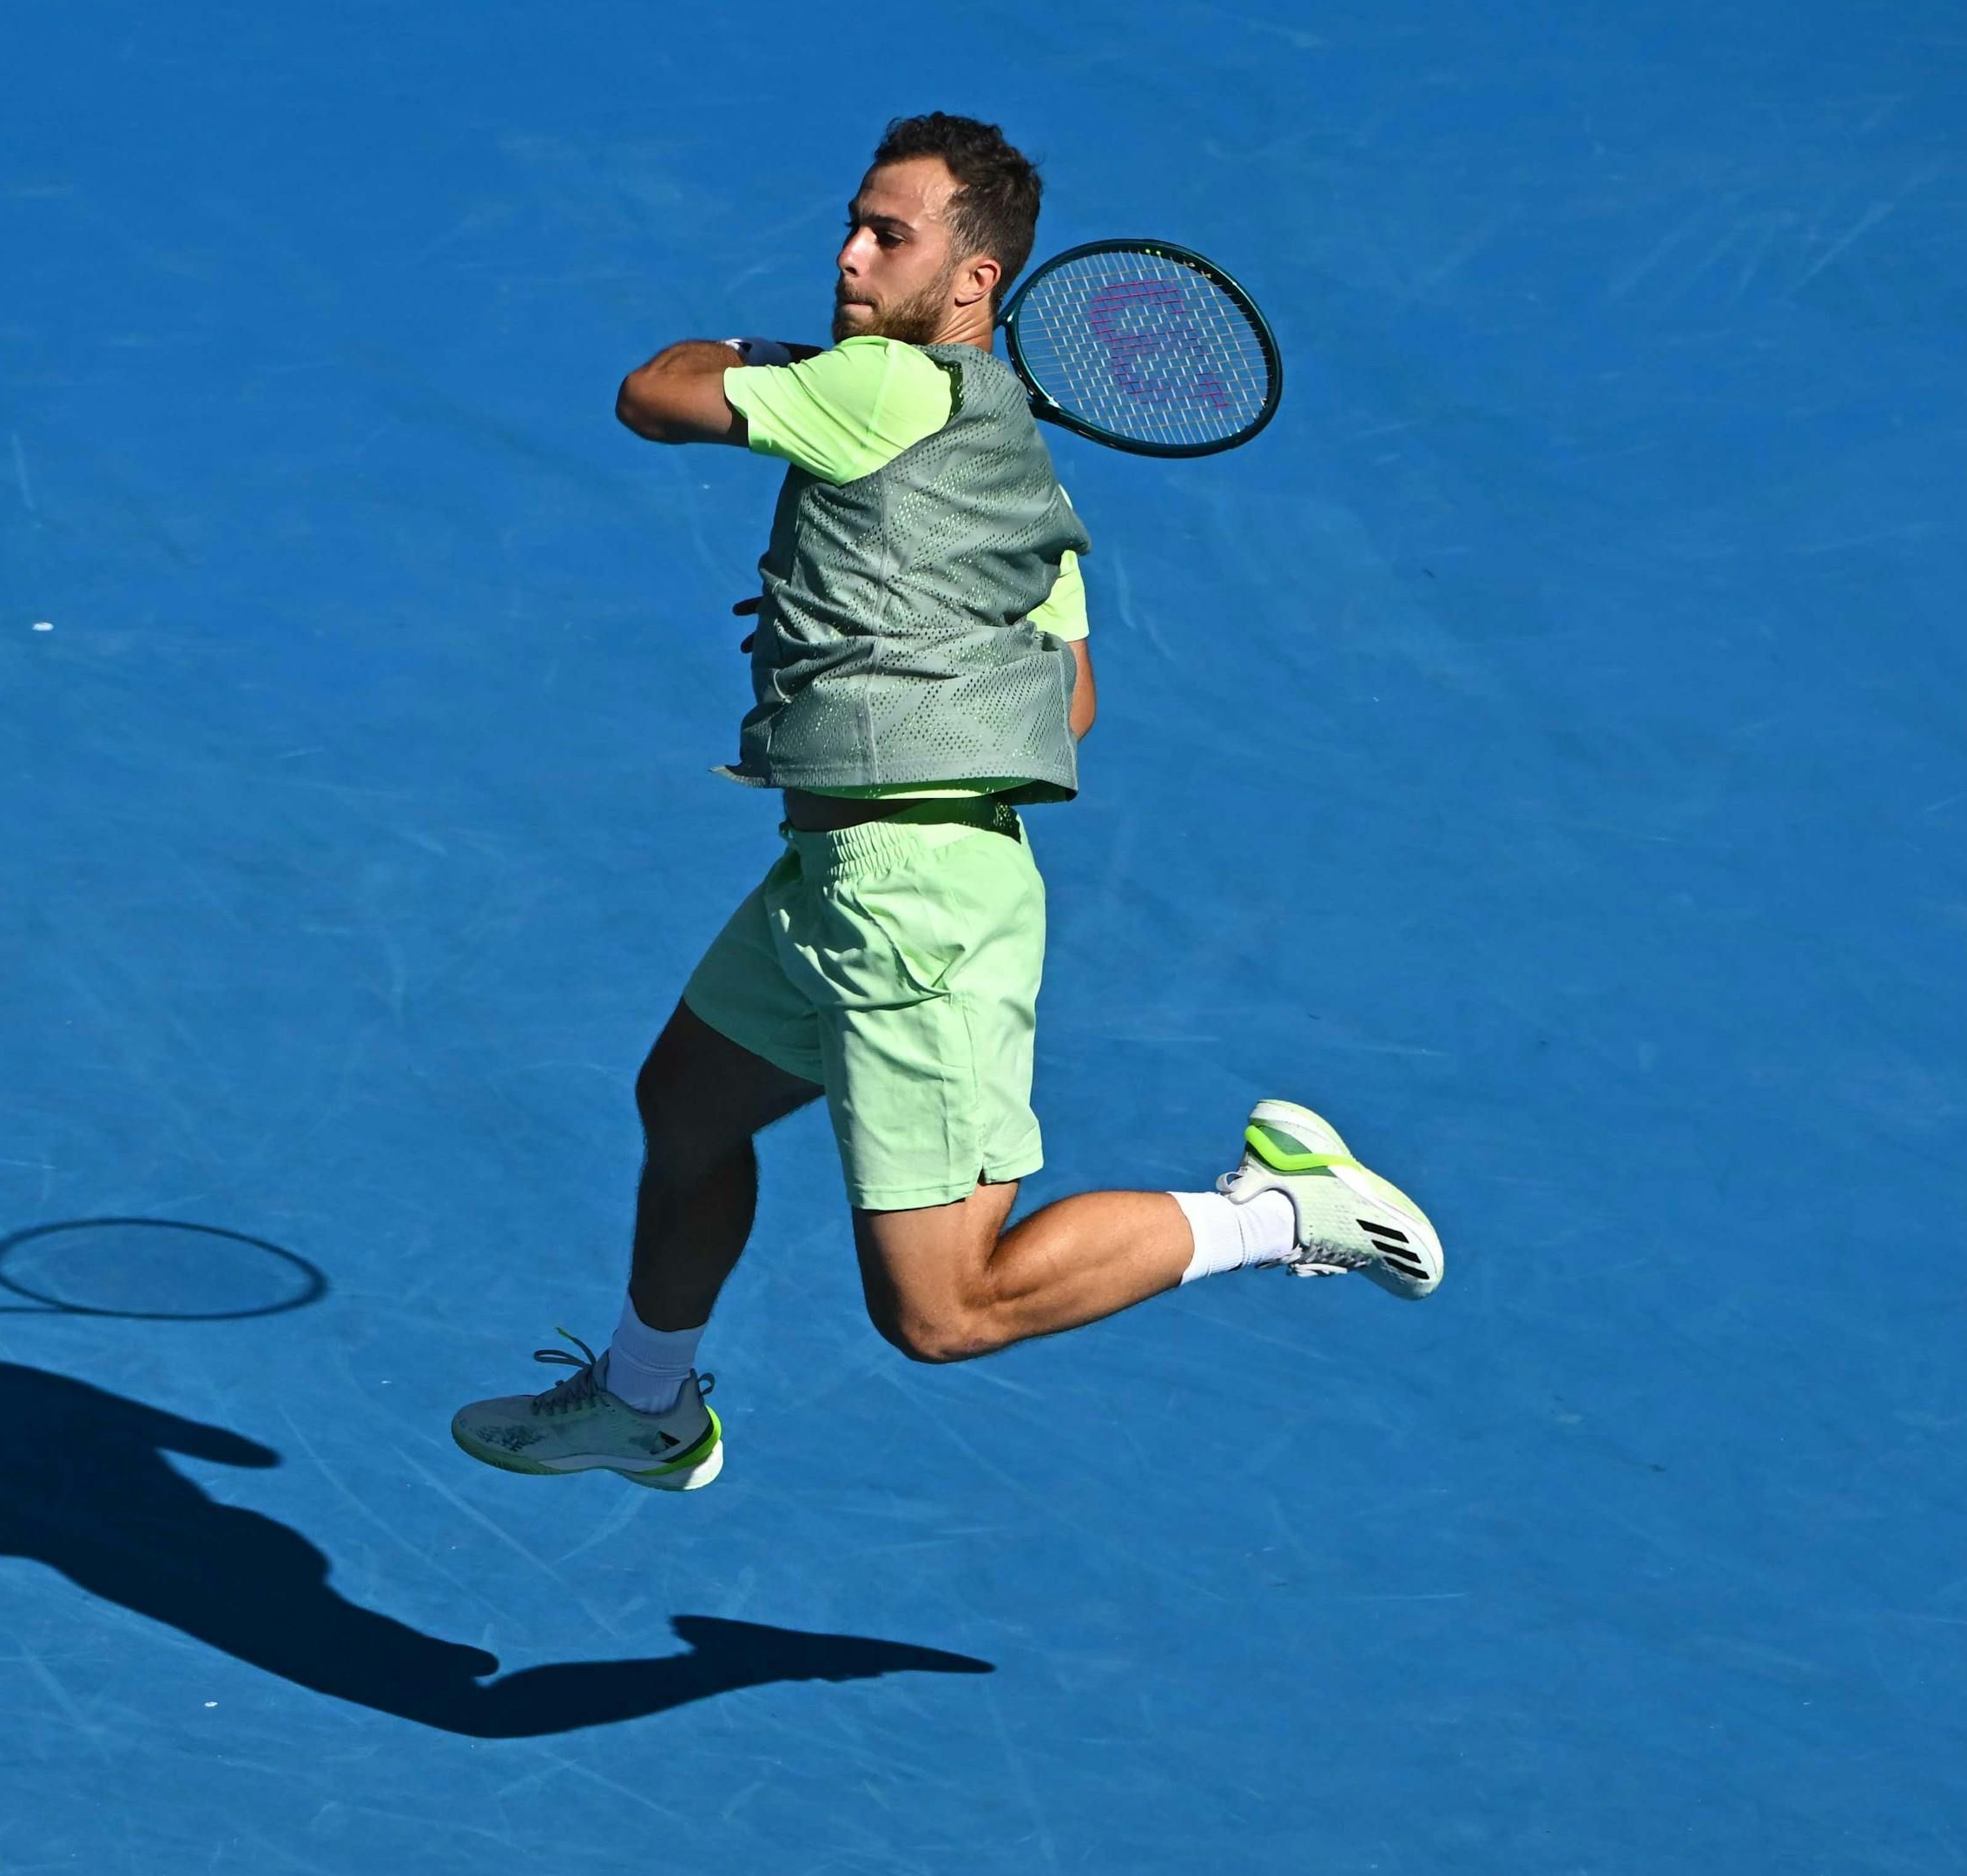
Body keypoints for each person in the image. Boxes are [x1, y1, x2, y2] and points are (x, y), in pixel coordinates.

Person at [451, 113, 1444, 1493]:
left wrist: (769, 359)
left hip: (911, 905)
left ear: (975, 282)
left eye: (889, 236)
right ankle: (646, 1397)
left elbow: (652, 388)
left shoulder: (872, 390)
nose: (851, 258)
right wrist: (894, 635)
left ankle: (1279, 1210)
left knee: (944, 1311)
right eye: (852, 226)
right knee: (686, 1105)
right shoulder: (1022, 481)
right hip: (853, 878)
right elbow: (1072, 697)